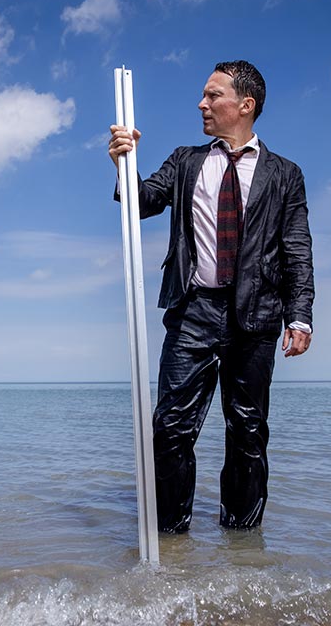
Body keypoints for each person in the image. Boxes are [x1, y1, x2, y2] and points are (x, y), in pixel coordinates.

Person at [108, 60, 314, 533]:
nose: (202, 104)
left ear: (246, 105)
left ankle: (242, 546)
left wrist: (299, 316)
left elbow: (296, 249)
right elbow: (140, 202)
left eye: (212, 95)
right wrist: (124, 162)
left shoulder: (285, 174)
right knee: (170, 429)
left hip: (256, 316)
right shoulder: (185, 160)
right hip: (192, 311)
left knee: (248, 432)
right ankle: (170, 538)